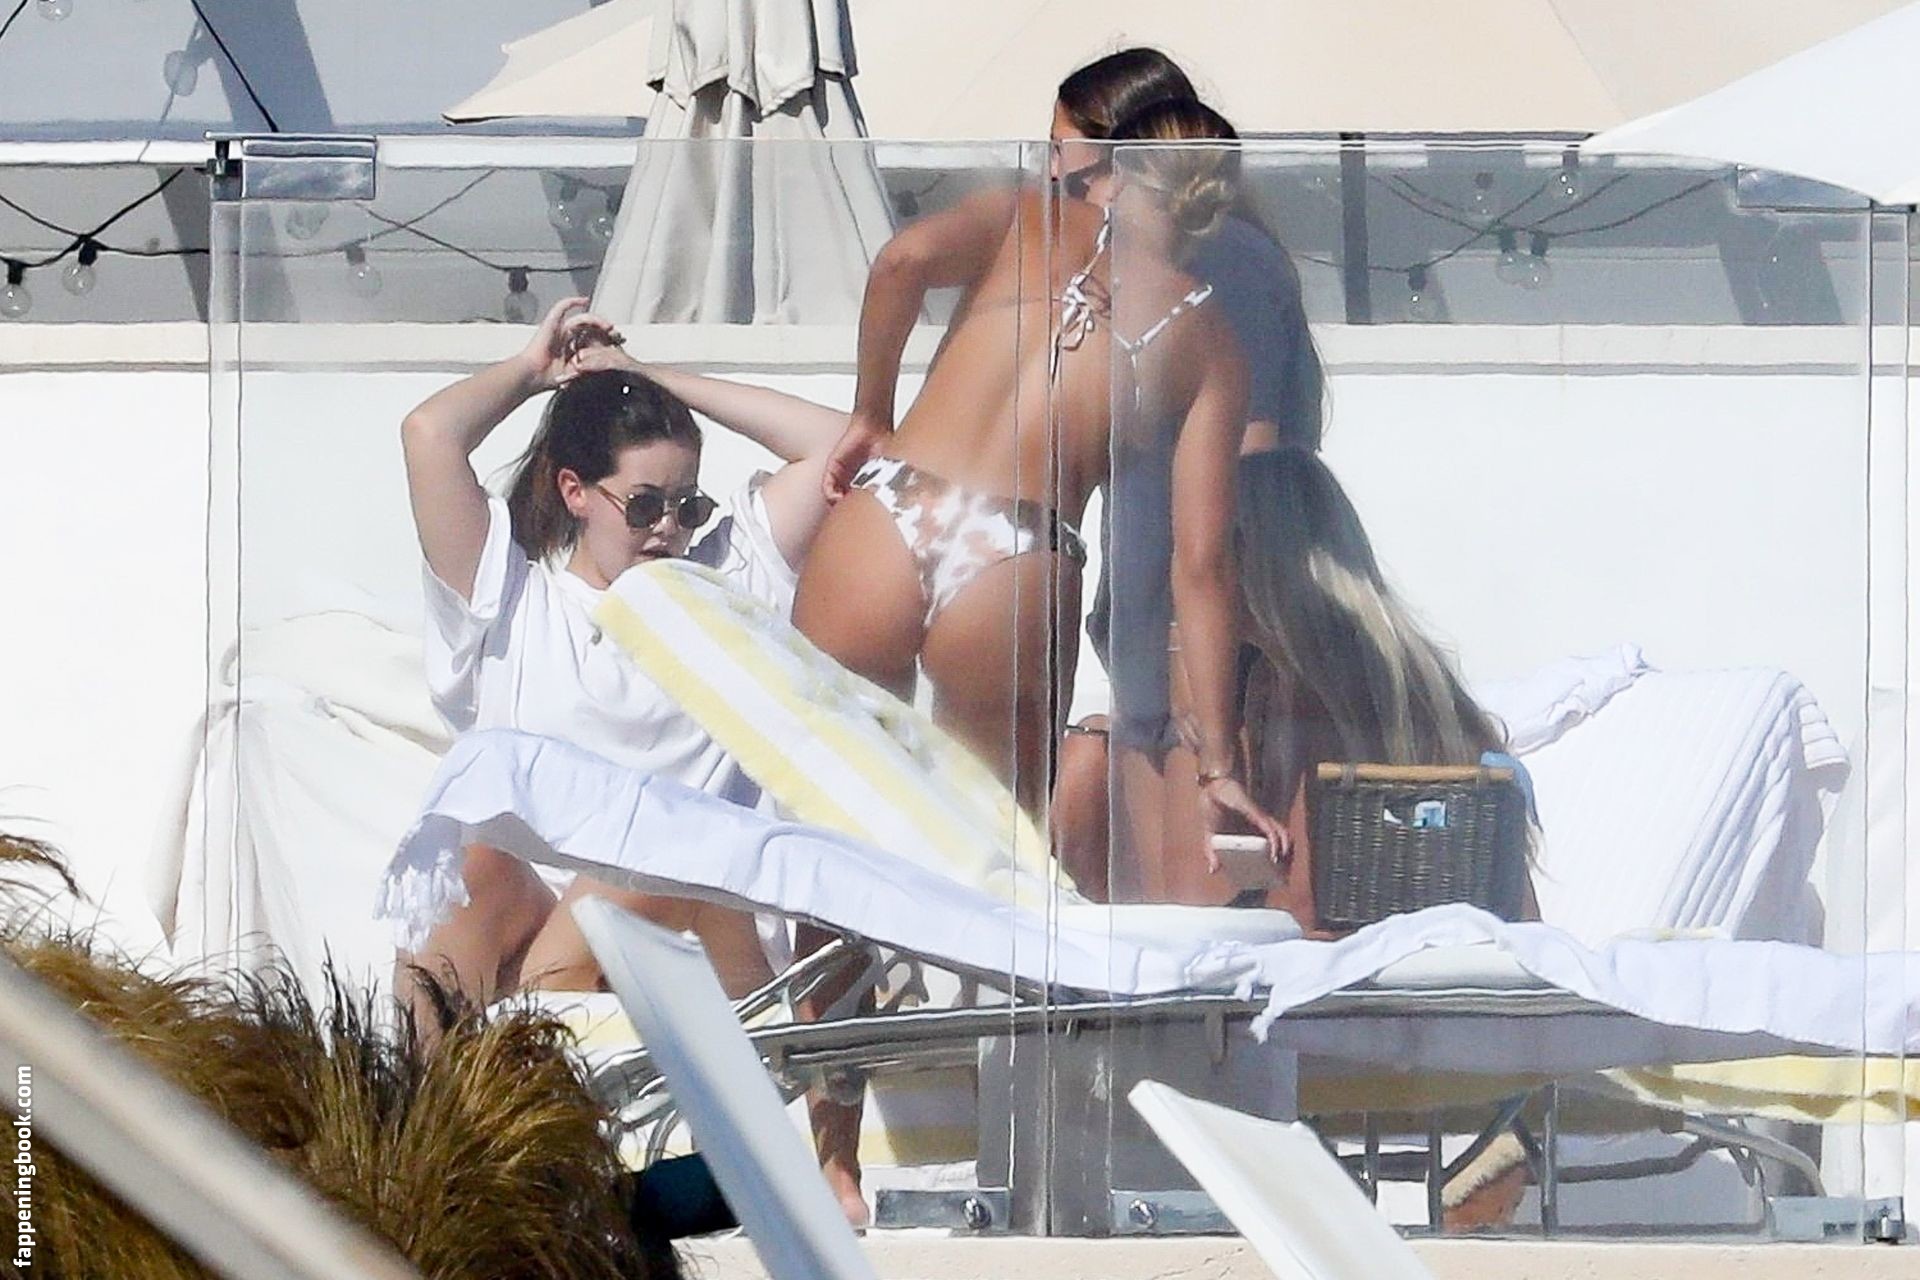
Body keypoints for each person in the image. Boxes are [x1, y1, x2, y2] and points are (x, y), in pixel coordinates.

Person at [394, 297, 872, 1222]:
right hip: (557, 936)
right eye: (644, 505)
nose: (668, 530)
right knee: (465, 863)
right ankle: (427, 1160)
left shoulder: (728, 575)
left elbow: (840, 444)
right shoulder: (516, 604)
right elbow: (428, 434)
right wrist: (533, 372)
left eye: (686, 505)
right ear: (575, 491)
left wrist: (646, 377)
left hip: (705, 928)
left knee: (639, 854)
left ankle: (524, 1148)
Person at [791, 86, 1283, 857]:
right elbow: (1202, 566)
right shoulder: (1211, 342)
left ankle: (830, 942)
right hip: (1019, 553)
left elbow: (900, 262)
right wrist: (1218, 764)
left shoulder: (1026, 216)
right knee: (992, 854)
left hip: (894, 506)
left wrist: (871, 413)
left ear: (1117, 173)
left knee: (824, 825)